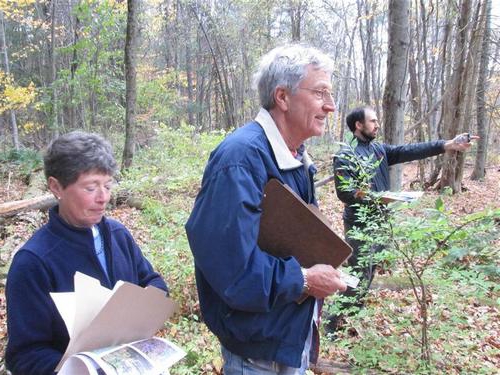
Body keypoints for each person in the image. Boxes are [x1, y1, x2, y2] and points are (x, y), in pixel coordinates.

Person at [185, 44, 347, 374]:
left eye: (330, 95)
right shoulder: (241, 160)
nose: (330, 106)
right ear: (283, 97)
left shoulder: (294, 156)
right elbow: (232, 269)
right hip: (257, 354)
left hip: (287, 339)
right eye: (319, 93)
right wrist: (303, 280)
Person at [5, 131, 168, 375]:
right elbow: (24, 356)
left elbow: (151, 280)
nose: (103, 198)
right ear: (56, 186)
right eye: (91, 188)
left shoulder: (117, 235)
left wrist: (148, 303)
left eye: (108, 185)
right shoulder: (34, 262)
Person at [327, 105, 477, 332]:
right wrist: (378, 198)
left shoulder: (379, 149)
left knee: (368, 273)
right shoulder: (346, 154)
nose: (377, 124)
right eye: (372, 121)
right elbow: (344, 192)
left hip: (379, 222)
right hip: (359, 224)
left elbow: (410, 150)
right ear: (359, 125)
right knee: (358, 273)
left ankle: (349, 316)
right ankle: (332, 323)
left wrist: (447, 145)